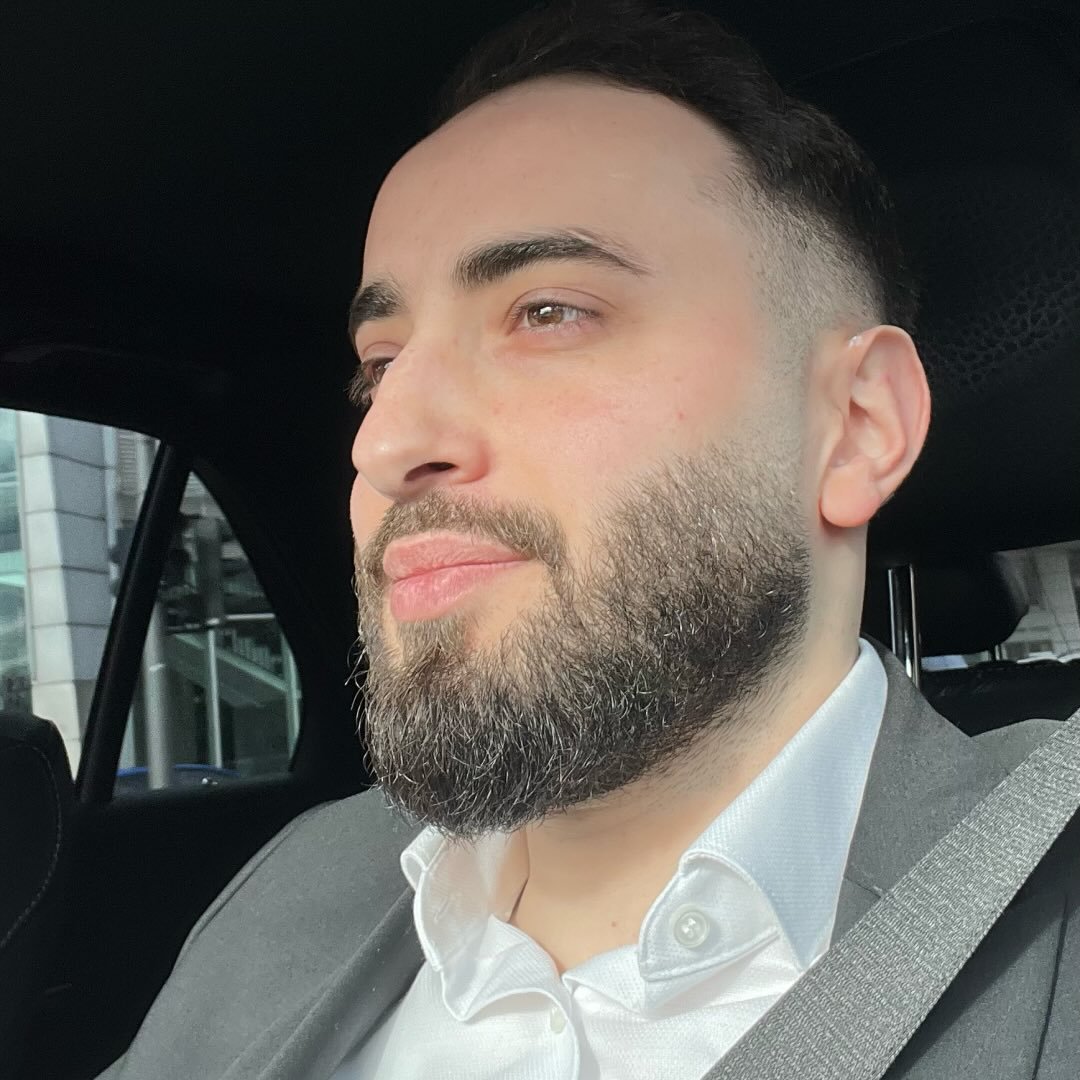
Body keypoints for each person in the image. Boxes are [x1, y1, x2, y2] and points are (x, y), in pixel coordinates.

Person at [97, 3, 1077, 1078]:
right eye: (380, 365)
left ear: (855, 426)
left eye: (547, 313)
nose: (384, 443)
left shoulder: (1047, 919)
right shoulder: (290, 892)